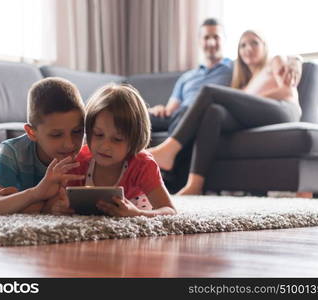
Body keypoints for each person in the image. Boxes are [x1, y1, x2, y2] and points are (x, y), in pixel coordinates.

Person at [149, 30, 303, 195]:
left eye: (254, 42)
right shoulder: (246, 84)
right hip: (260, 115)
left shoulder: (275, 61)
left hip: (285, 109)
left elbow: (287, 90)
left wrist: (296, 61)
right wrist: (246, 97)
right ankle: (195, 184)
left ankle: (169, 150)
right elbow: (248, 105)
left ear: (264, 46)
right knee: (214, 112)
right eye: (242, 45)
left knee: (209, 91)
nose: (248, 48)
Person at [0, 77, 85, 215]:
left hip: (16, 195)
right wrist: (36, 193)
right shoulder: (13, 151)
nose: (69, 144)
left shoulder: (86, 153)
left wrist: (32, 206)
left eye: (77, 131)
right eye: (56, 135)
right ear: (32, 133)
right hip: (6, 182)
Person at [71, 84, 176, 217]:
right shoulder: (79, 160)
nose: (105, 146)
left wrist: (138, 213)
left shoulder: (142, 165)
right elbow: (57, 201)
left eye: (117, 139)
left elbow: (169, 210)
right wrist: (59, 206)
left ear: (134, 140)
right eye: (98, 135)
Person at [149, 18, 233, 135]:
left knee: (188, 110)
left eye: (216, 37)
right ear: (199, 41)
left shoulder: (234, 69)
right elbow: (170, 111)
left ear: (224, 40)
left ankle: (170, 150)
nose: (211, 42)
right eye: (206, 37)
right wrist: (159, 110)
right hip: (180, 116)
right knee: (136, 117)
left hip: (205, 115)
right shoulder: (186, 77)